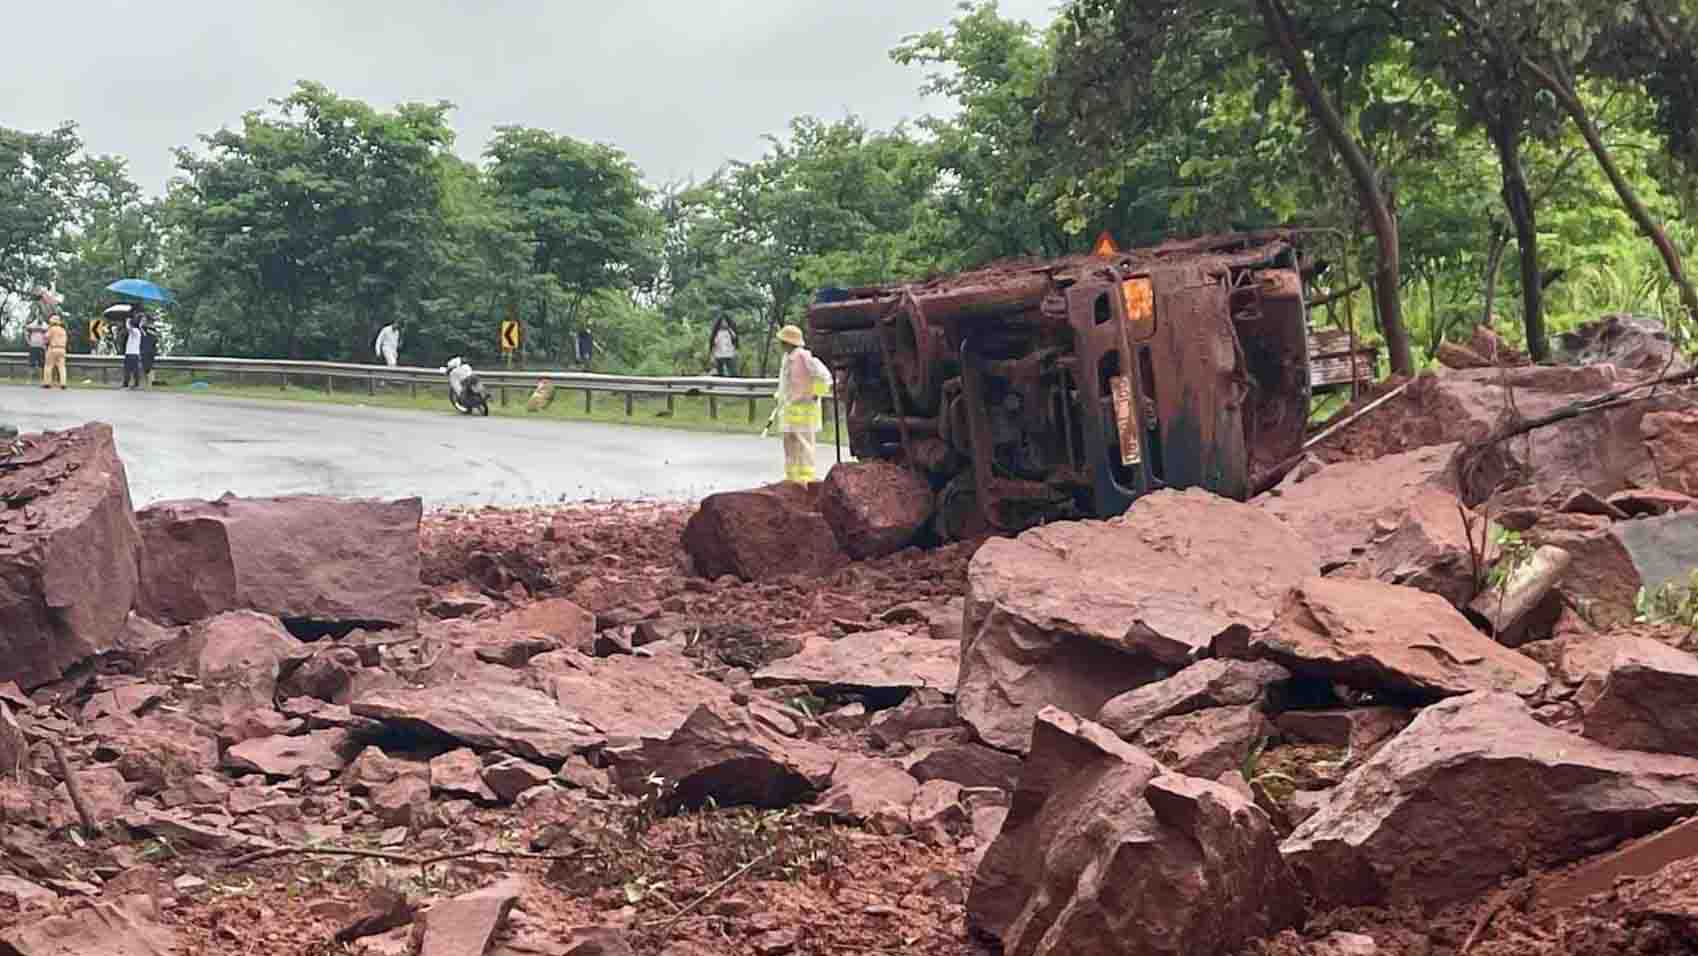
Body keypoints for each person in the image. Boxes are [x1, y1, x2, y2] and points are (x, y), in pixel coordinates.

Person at [771, 324, 832, 483]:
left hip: (805, 408)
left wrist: (816, 393)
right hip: (790, 407)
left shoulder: (804, 356)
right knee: (789, 442)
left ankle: (807, 478)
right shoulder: (787, 358)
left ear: (789, 342)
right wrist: (780, 397)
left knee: (804, 443)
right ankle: (792, 478)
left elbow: (824, 376)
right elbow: (784, 383)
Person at [42, 316, 67, 389]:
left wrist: (45, 342)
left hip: (53, 348)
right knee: (62, 367)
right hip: (62, 349)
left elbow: (46, 337)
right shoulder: (63, 330)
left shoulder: (51, 329)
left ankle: (47, 383)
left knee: (48, 366)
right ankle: (63, 383)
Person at [122, 313, 144, 388]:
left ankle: (134, 383)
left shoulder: (136, 331)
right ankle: (128, 383)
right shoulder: (137, 331)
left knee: (133, 370)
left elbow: (129, 329)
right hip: (130, 353)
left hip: (133, 353)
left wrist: (127, 322)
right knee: (128, 370)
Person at [140, 319, 160, 386]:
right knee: (148, 367)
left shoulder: (147, 330)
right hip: (148, 351)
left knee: (148, 367)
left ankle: (149, 383)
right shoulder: (149, 331)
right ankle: (149, 383)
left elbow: (155, 340)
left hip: (147, 351)